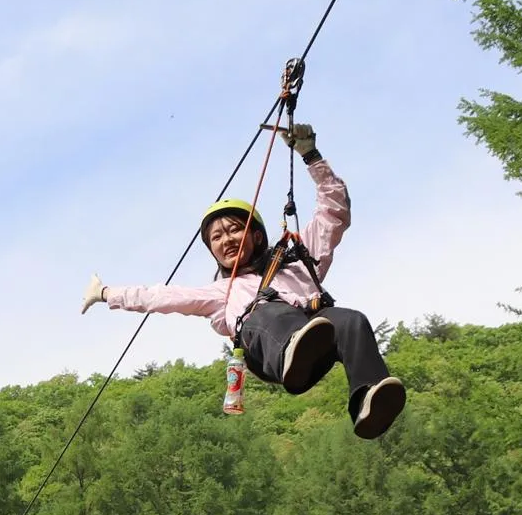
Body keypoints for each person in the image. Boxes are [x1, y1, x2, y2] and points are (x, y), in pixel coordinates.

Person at [81, 122, 406, 439]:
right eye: (217, 237)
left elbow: (333, 213)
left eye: (235, 230)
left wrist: (311, 156)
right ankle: (293, 349)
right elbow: (159, 297)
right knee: (267, 311)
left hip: (316, 344)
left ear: (256, 236)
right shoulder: (222, 293)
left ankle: (367, 397)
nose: (227, 240)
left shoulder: (297, 262)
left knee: (350, 320)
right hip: (269, 354)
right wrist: (106, 293)